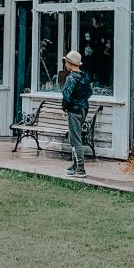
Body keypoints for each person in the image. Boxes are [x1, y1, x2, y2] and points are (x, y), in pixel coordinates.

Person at [60, 49, 92, 178]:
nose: (65, 65)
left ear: (70, 63)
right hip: (84, 109)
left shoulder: (71, 78)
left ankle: (80, 168)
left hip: (74, 110)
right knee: (74, 137)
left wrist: (65, 108)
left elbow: (66, 96)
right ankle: (74, 165)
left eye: (66, 62)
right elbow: (89, 93)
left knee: (75, 139)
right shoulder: (85, 77)